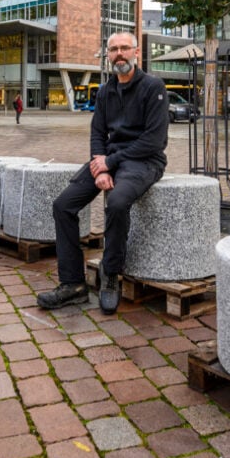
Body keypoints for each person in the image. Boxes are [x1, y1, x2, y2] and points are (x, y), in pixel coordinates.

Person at [37, 32, 169, 315]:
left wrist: (110, 161)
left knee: (118, 203)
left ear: (136, 53)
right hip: (111, 158)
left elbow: (154, 140)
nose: (119, 54)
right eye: (113, 50)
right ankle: (72, 285)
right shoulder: (106, 90)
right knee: (63, 206)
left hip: (144, 160)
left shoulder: (153, 86)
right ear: (108, 55)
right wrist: (99, 164)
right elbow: (97, 132)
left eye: (124, 48)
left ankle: (110, 274)